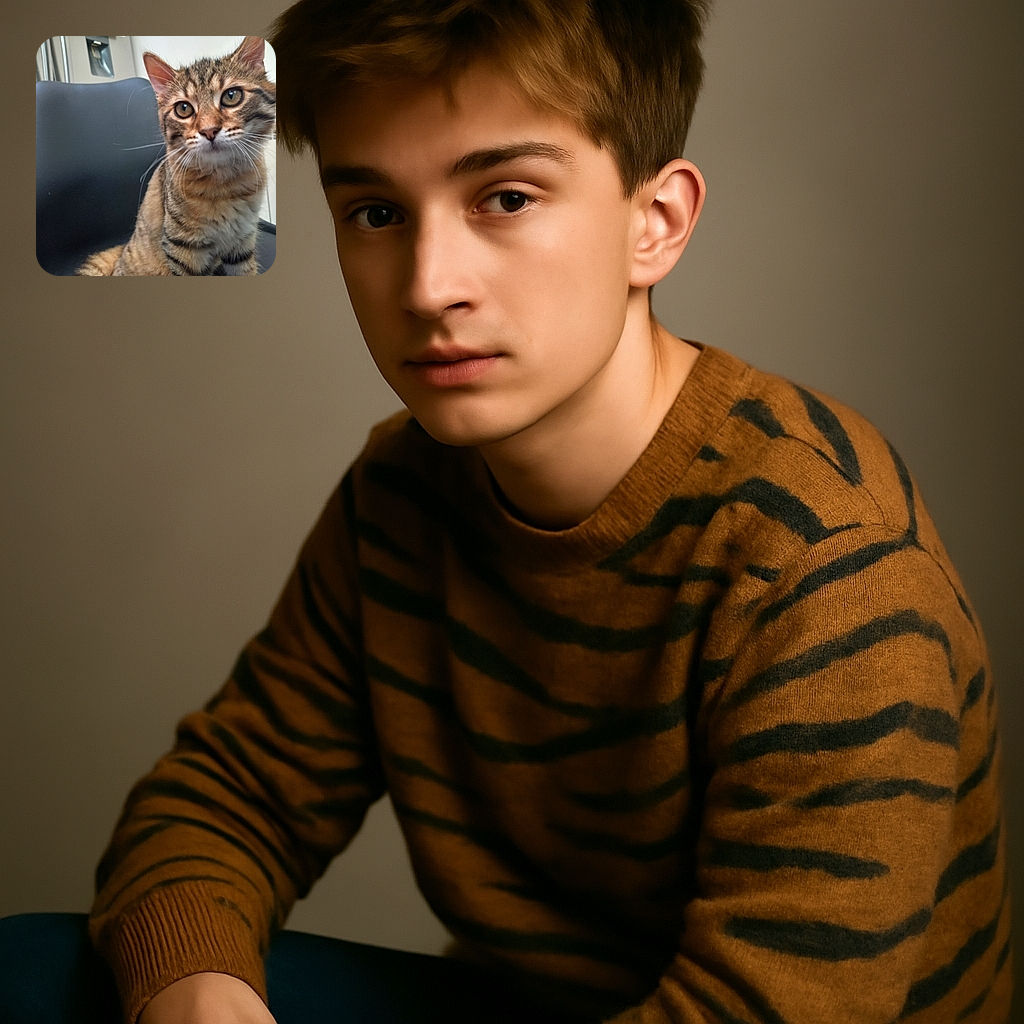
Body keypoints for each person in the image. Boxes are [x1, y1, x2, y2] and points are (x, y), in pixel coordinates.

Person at [84, 1, 1012, 1021]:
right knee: (62, 972)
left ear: (653, 223)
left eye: (507, 197)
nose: (431, 287)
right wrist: (199, 998)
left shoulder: (826, 565)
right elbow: (224, 800)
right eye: (377, 214)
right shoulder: (403, 493)